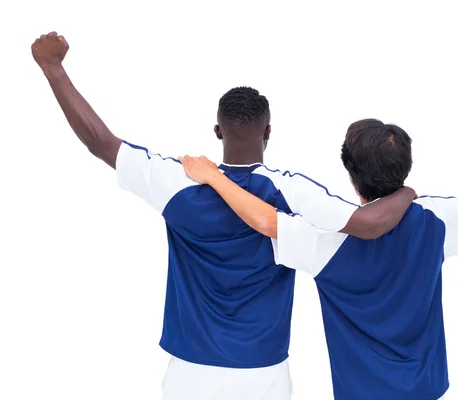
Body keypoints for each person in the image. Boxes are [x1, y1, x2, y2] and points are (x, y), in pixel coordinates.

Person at [31, 32, 417, 399]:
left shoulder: (176, 182)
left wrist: (54, 68)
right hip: (263, 372)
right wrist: (407, 191)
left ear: (218, 130)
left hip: (190, 372)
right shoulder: (293, 192)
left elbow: (100, 142)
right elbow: (371, 223)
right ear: (269, 131)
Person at [178, 119, 458, 400]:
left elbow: (265, 220)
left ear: (350, 174)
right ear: (405, 167)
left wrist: (213, 177)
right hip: (426, 389)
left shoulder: (326, 239)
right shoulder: (437, 219)